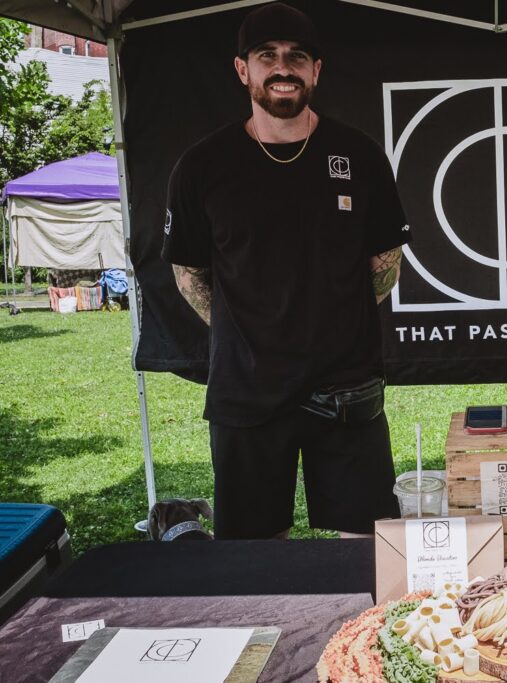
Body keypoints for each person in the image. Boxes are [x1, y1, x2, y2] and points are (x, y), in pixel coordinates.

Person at [161, 2, 409, 539]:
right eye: (266, 55)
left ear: (316, 71)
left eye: (297, 56)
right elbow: (188, 275)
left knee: (366, 545)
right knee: (252, 552)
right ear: (242, 69)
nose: (283, 67)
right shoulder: (203, 166)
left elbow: (385, 267)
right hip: (246, 390)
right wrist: (249, 332)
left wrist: (336, 324)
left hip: (347, 386)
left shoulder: (359, 156)